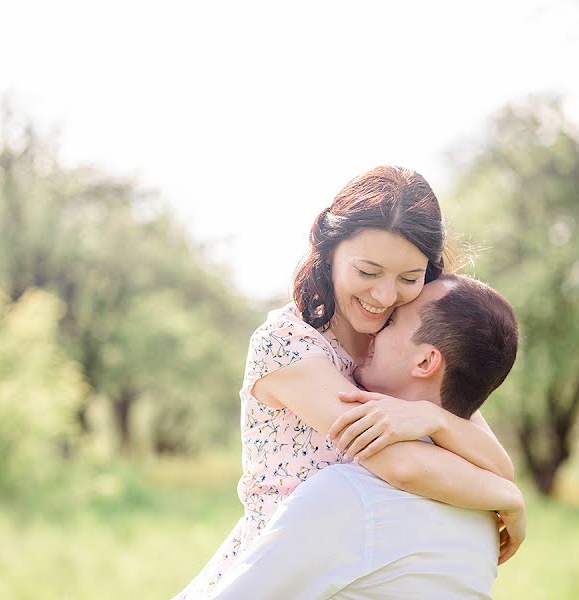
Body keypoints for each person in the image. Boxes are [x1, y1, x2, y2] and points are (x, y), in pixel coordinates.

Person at [174, 167, 524, 599]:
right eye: (367, 271)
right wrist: (507, 499)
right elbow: (400, 465)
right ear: (330, 250)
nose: (383, 297)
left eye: (409, 279)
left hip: (366, 569)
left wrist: (432, 418)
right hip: (283, 572)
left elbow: (495, 460)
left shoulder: (400, 347)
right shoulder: (292, 347)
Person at [208, 274, 521, 600]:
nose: (373, 329)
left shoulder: (352, 495)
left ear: (426, 361)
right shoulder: (485, 516)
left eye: (392, 321)